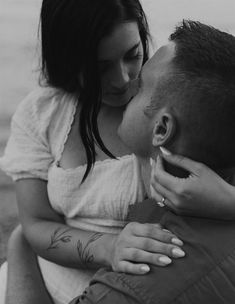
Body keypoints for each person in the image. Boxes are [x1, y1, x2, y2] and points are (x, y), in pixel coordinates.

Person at [4, 19, 235, 304]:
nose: (124, 81)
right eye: (99, 67)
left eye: (134, 55)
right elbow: (34, 223)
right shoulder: (45, 112)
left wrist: (20, 249)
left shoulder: (181, 107)